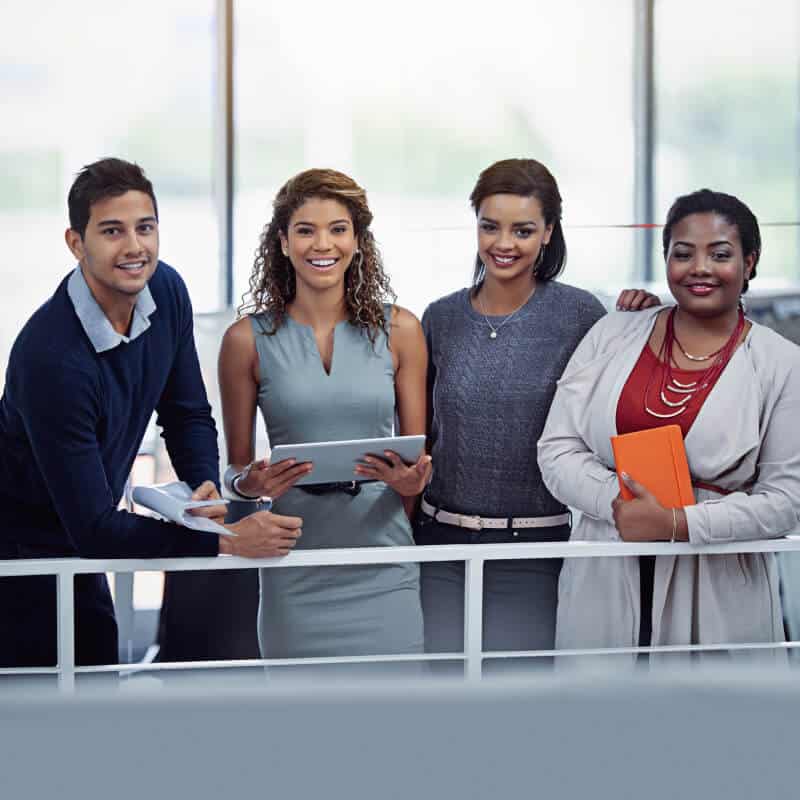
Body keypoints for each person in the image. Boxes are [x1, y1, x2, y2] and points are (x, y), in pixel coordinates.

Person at [0, 158, 303, 669]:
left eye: (145, 227)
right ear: (76, 243)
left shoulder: (165, 291)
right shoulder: (51, 358)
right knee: (35, 714)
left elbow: (185, 414)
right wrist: (227, 542)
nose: (134, 247)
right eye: (112, 231)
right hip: (18, 558)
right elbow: (96, 529)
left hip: (78, 544)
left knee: (95, 677)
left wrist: (203, 486)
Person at [413, 158, 658, 671]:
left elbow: (623, 407)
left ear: (548, 232)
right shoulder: (440, 317)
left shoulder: (580, 314)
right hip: (439, 543)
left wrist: (645, 319)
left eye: (522, 230)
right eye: (490, 226)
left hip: (536, 544)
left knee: (519, 699)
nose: (504, 243)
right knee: (439, 698)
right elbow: (420, 435)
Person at [538, 188, 800, 658]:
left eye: (720, 254)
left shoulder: (783, 365)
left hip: (717, 579)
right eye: (683, 253)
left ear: (749, 262)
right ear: (666, 260)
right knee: (597, 722)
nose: (699, 267)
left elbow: (785, 501)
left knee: (710, 726)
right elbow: (557, 448)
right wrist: (620, 505)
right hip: (606, 562)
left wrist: (678, 523)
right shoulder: (614, 332)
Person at [218, 168, 430, 663]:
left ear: (358, 241)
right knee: (299, 730)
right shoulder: (245, 341)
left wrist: (412, 483)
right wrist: (251, 486)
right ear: (283, 242)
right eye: (306, 230)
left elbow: (418, 457)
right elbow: (235, 471)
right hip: (294, 563)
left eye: (338, 228)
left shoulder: (401, 330)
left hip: (384, 563)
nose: (323, 244)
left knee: (394, 725)